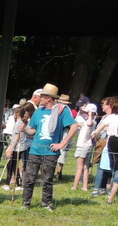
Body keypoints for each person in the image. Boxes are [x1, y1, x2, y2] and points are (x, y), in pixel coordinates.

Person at [21, 83, 78, 211]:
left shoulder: (61, 111)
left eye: (42, 96)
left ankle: (46, 204)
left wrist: (62, 143)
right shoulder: (37, 112)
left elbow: (74, 127)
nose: (39, 98)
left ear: (49, 98)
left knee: (47, 180)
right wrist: (24, 129)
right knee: (29, 178)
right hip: (35, 149)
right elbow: (32, 131)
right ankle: (26, 203)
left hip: (51, 151)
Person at [3, 102, 35, 191]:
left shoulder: (19, 123)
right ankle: (17, 182)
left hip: (18, 147)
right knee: (13, 165)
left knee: (12, 165)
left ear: (17, 114)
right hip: (19, 147)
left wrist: (11, 148)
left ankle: (14, 183)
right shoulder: (20, 123)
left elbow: (17, 137)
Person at [71, 103, 97, 191]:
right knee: (85, 167)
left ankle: (75, 186)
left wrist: (89, 114)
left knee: (79, 167)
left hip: (82, 146)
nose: (84, 114)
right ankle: (85, 186)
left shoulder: (91, 122)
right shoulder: (90, 122)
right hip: (87, 145)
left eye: (86, 113)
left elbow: (89, 124)